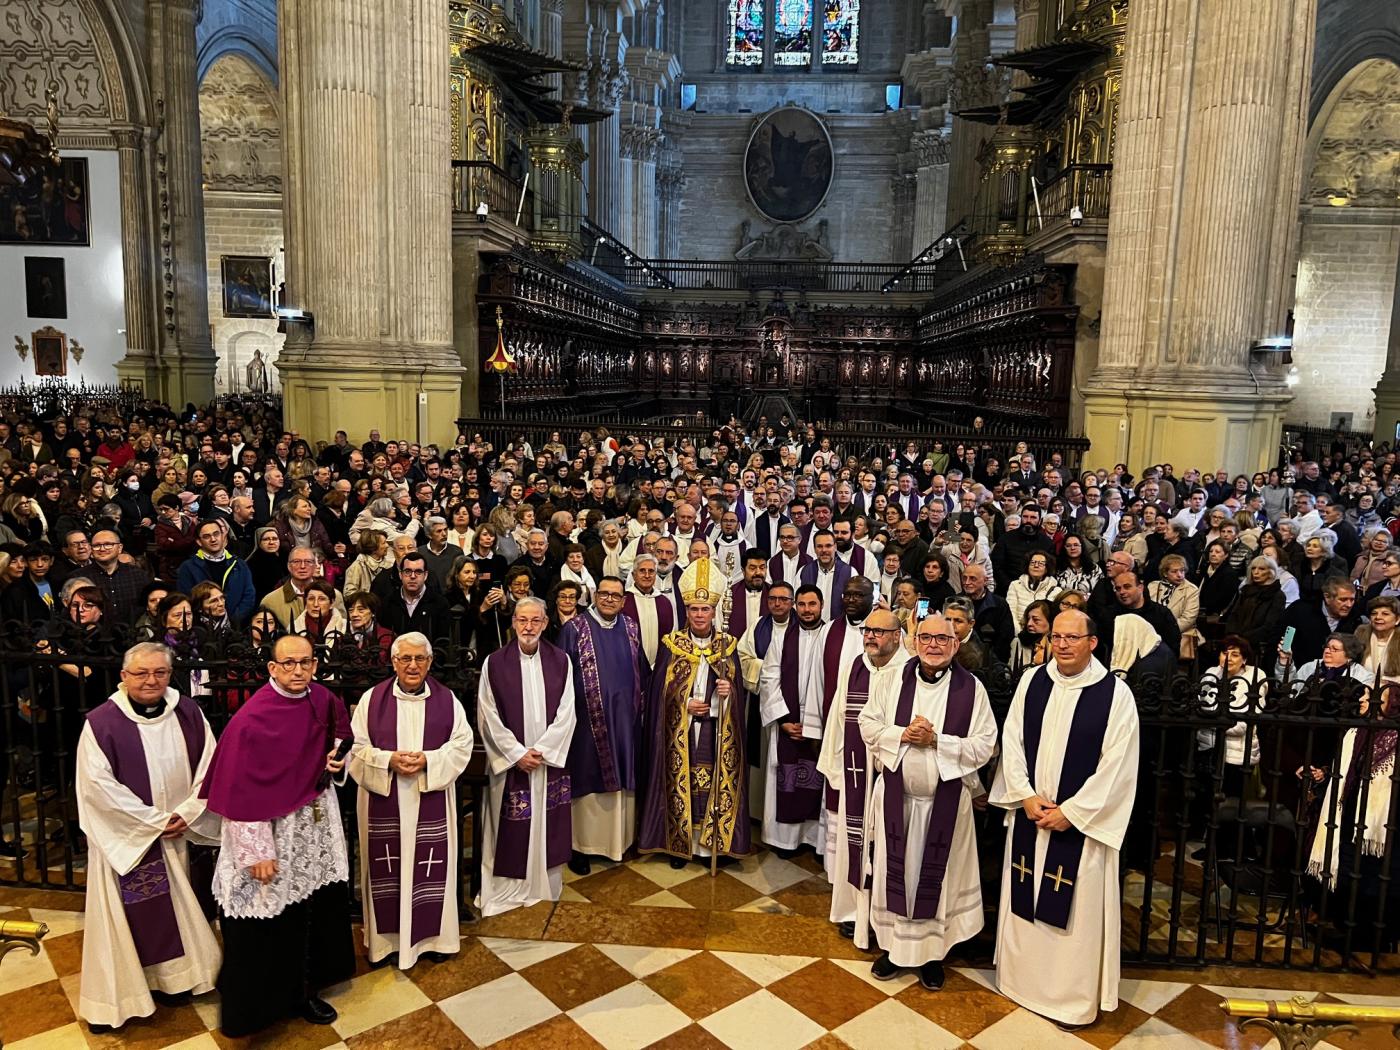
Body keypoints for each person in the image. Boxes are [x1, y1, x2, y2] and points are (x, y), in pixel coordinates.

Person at [989, 608, 1140, 1029]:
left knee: (1075, 914)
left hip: (1080, 829)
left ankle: (1068, 999)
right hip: (1031, 816)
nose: (1062, 645)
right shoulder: (1031, 681)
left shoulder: (1115, 695)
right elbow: (1013, 739)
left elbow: (1118, 764)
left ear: (1093, 642)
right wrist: (1024, 795)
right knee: (1024, 898)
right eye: (1056, 637)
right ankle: (1021, 982)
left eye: (1072, 638)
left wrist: (1072, 812)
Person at [200, 635, 355, 1036]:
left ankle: (302, 991)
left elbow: (343, 737)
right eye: (288, 664)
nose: (298, 671)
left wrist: (337, 761)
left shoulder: (321, 699)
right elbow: (239, 790)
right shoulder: (251, 720)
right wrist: (256, 852)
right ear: (272, 668)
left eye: (305, 662)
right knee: (265, 913)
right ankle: (259, 1007)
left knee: (307, 912)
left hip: (313, 823)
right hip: (270, 832)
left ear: (316, 665)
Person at [75, 642, 221, 1031]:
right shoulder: (102, 722)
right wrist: (152, 821)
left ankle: (177, 980)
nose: (150, 681)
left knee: (183, 906)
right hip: (129, 839)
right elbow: (97, 788)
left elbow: (212, 765)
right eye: (140, 673)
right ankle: (126, 995)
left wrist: (187, 812)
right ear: (123, 677)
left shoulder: (189, 712)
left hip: (180, 831)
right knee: (126, 919)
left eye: (159, 672)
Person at [858, 611, 996, 987]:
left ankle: (933, 956)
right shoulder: (891, 682)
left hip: (946, 808)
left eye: (942, 639)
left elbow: (985, 745)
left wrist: (936, 741)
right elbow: (867, 723)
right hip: (897, 805)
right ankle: (893, 949)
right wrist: (903, 735)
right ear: (913, 642)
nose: (933, 645)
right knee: (896, 874)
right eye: (926, 637)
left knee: (938, 880)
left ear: (955, 644)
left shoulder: (972, 690)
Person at [349, 632, 473, 968]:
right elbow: (355, 750)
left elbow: (462, 746)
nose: (413, 665)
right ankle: (387, 943)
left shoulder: (448, 701)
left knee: (429, 869)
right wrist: (388, 760)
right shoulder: (371, 700)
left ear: (430, 662)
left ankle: (433, 939)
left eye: (420, 659)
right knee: (386, 871)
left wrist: (429, 761)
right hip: (384, 799)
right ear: (394, 662)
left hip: (428, 796)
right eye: (405, 658)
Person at [638, 557, 751, 869]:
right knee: (682, 781)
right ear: (686, 611)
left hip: (715, 729)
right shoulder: (671, 645)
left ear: (714, 611)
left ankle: (711, 847)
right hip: (683, 730)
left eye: (705, 609)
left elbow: (737, 697)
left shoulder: (727, 645)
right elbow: (659, 691)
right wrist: (683, 704)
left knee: (712, 783)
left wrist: (727, 696)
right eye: (694, 609)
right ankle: (679, 846)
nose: (700, 615)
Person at [476, 596, 578, 915]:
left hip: (546, 763)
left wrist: (544, 751)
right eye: (522, 620)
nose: (528, 626)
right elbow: (487, 715)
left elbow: (568, 711)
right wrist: (517, 754)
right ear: (513, 622)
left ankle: (543, 886)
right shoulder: (494, 663)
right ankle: (505, 890)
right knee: (508, 828)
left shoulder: (561, 660)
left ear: (546, 623)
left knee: (547, 825)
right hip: (512, 766)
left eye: (535, 620)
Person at [817, 607, 908, 939]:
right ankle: (855, 910)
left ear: (897, 636)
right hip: (856, 774)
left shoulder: (908, 671)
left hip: (888, 778)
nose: (870, 636)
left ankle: (883, 918)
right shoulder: (855, 666)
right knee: (853, 844)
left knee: (885, 849)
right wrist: (833, 765)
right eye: (867, 630)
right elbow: (838, 718)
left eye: (879, 631)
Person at [557, 576, 642, 875]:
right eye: (603, 594)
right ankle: (580, 847)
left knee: (620, 784)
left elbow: (640, 671)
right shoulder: (574, 629)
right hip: (585, 724)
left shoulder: (631, 628)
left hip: (624, 725)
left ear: (623, 600)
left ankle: (619, 842)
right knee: (586, 782)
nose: (608, 599)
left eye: (615, 595)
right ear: (594, 596)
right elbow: (560, 677)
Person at [757, 584, 827, 855]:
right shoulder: (783, 636)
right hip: (788, 719)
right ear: (795, 606)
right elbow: (769, 677)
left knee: (816, 783)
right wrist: (783, 719)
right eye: (802, 604)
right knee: (786, 782)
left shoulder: (831, 635)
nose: (807, 610)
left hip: (818, 724)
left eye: (812, 604)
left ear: (821, 605)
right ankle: (785, 840)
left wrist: (815, 724)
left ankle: (813, 840)